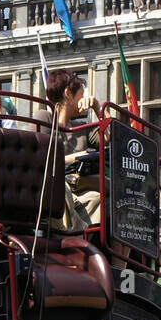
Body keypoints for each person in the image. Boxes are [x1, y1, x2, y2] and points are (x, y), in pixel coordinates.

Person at [33, 70, 102, 229]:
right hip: (55, 184)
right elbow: (41, 159)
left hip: (81, 186)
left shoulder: (81, 128)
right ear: (68, 93)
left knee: (99, 199)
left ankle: (84, 244)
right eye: (81, 94)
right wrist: (79, 157)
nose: (83, 99)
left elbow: (108, 138)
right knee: (64, 192)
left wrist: (98, 108)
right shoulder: (44, 117)